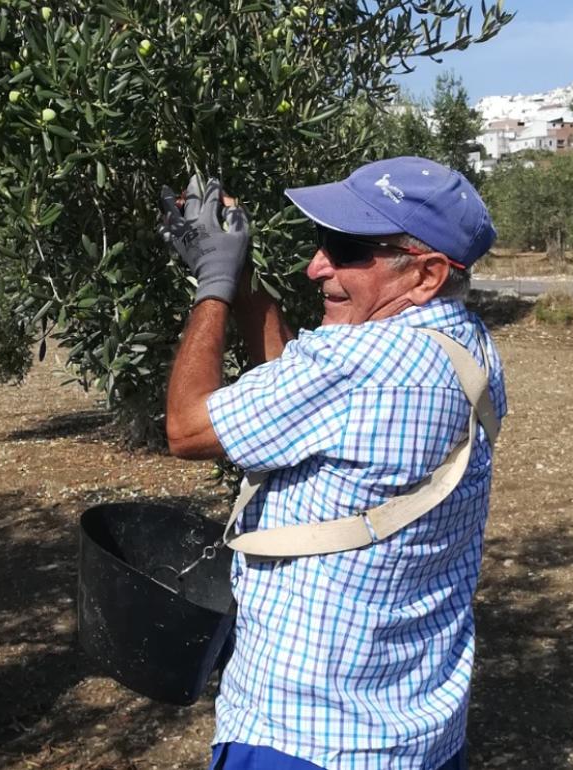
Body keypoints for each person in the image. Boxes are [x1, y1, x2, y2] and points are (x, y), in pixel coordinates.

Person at [159, 156, 507, 770]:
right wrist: (246, 289)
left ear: (425, 274)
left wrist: (214, 284)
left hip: (306, 736)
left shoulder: (358, 364)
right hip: (417, 731)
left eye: (346, 249)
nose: (317, 266)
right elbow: (307, 402)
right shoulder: (469, 345)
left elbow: (188, 428)